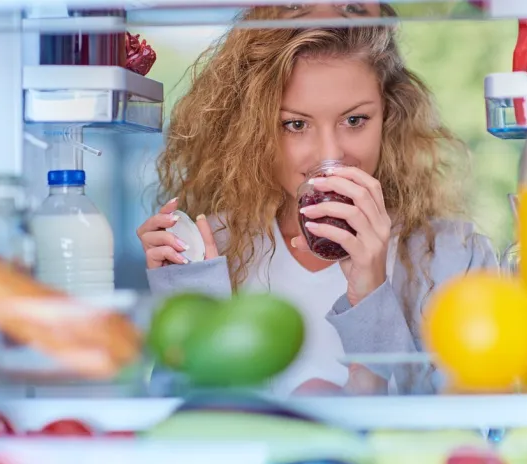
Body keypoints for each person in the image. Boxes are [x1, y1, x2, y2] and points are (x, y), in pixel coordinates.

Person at [136, 4, 498, 396]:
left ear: (389, 116)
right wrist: (194, 308)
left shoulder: (455, 256)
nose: (331, 154)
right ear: (254, 130)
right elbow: (186, 433)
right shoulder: (215, 252)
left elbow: (468, 432)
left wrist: (371, 289)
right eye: (296, 125)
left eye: (355, 120)